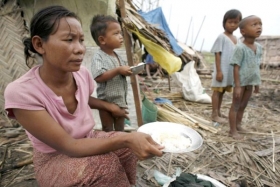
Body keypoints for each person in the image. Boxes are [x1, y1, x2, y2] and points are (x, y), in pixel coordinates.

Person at [4, 6, 163, 187]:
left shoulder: (82, 74)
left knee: (127, 151)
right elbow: (69, 145)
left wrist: (108, 106)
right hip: (53, 156)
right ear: (39, 44)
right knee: (105, 164)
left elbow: (82, 99)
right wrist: (126, 138)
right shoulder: (22, 92)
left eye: (81, 40)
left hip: (88, 137)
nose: (80, 49)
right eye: (69, 40)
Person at [90, 15, 133, 132]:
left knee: (120, 128)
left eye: (120, 33)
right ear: (102, 40)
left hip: (120, 100)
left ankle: (118, 148)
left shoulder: (118, 56)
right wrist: (118, 70)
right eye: (116, 33)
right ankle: (108, 148)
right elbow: (98, 77)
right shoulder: (98, 57)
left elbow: (123, 71)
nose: (121, 37)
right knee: (108, 128)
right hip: (105, 101)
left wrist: (130, 71)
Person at [228, 15, 263, 139]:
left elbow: (256, 66)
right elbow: (236, 67)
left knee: (243, 105)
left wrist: (257, 84)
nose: (259, 27)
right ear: (243, 31)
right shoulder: (240, 48)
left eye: (260, 24)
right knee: (236, 105)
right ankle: (232, 130)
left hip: (250, 82)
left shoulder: (259, 48)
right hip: (241, 82)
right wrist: (237, 86)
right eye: (254, 25)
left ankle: (238, 125)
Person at [210, 9, 242, 124]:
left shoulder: (236, 39)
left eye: (236, 22)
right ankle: (214, 114)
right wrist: (219, 71)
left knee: (222, 92)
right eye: (230, 22)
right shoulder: (222, 37)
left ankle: (218, 112)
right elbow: (217, 53)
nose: (233, 24)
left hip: (229, 71)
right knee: (217, 92)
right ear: (224, 22)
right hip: (222, 70)